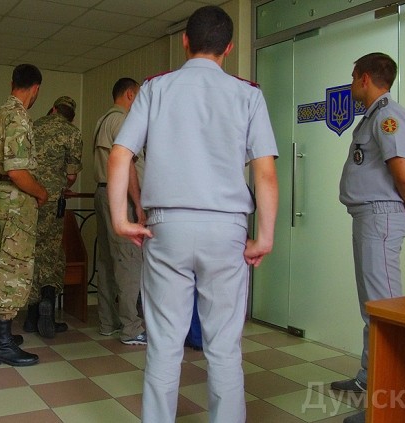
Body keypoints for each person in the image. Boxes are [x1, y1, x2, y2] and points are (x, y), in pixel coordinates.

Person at [107, 6, 279, 422]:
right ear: (229, 48)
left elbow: (120, 154)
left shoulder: (156, 89)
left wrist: (120, 219)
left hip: (168, 228)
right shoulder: (248, 94)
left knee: (164, 345)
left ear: (184, 41)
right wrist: (264, 236)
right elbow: (266, 173)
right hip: (227, 230)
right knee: (224, 349)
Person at [333, 52, 405, 423]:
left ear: (365, 78)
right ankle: (368, 377)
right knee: (373, 307)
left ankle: (389, 402)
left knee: (385, 312)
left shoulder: (389, 116)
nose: (352, 84)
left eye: (353, 77)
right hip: (369, 216)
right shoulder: (374, 116)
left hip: (380, 218)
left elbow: (402, 172)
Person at [0, 63, 47, 367]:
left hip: (1, 195)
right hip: (16, 198)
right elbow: (18, 172)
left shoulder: (0, 112)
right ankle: (2, 344)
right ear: (35, 88)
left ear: (13, 83)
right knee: (14, 267)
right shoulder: (19, 116)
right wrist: (41, 193)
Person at [22, 96, 83, 338]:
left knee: (30, 251)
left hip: (27, 197)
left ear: (54, 108)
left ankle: (31, 316)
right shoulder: (73, 133)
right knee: (52, 252)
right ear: (71, 116)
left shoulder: (32, 125)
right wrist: (61, 186)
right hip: (52, 200)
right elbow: (71, 175)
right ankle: (47, 299)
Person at [93, 77, 147, 345]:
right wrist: (137, 203)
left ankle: (108, 322)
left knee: (106, 261)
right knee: (128, 261)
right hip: (121, 196)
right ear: (130, 94)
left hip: (102, 193)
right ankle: (131, 328)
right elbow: (127, 166)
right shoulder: (124, 121)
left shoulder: (102, 120)